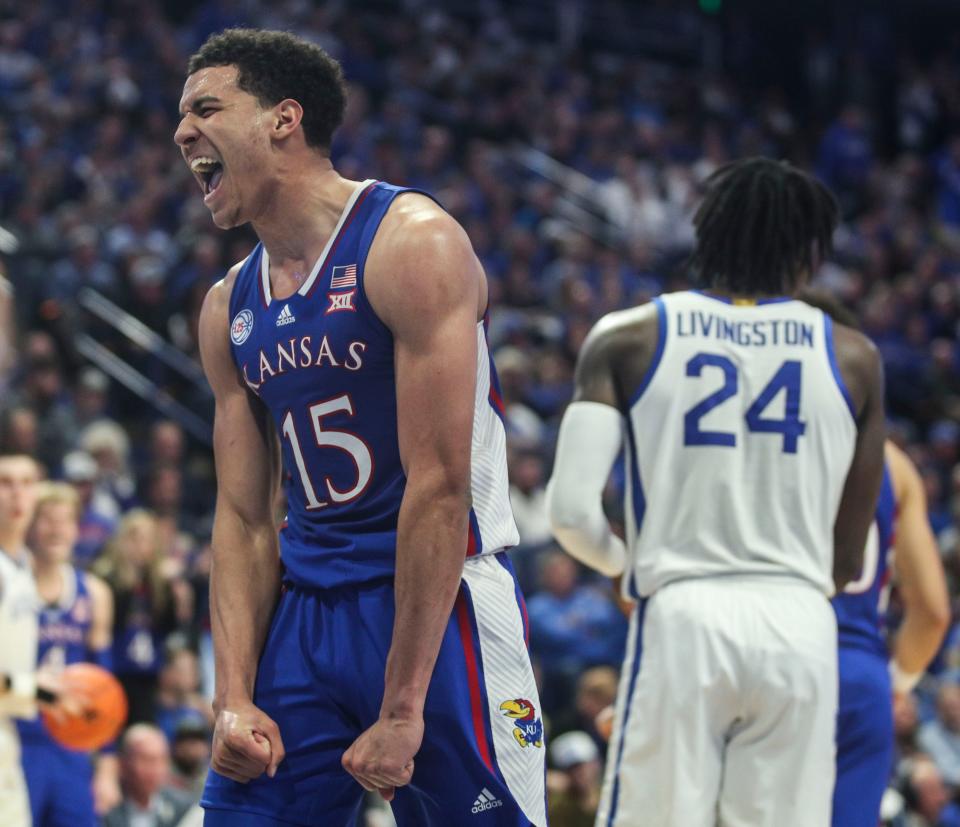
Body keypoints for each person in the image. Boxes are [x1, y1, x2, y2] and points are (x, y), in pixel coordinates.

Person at [174, 29, 544, 826]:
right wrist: (233, 694)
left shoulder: (411, 242)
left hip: (438, 603)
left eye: (206, 108)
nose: (182, 134)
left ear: (283, 119)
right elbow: (241, 517)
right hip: (306, 610)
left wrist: (405, 705)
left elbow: (440, 488)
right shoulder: (226, 308)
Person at [546, 157, 886, 826]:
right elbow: (851, 560)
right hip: (801, 622)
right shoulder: (853, 356)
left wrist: (624, 566)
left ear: (707, 236)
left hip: (685, 611)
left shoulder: (630, 334)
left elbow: (572, 515)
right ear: (807, 255)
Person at [832, 442, 949, 824]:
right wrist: (896, 686)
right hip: (859, 670)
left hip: (772, 646)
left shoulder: (761, 433)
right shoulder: (895, 464)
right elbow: (933, 612)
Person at [18, 481, 121, 825]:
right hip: (14, 737)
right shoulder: (10, 588)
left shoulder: (93, 593)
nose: (58, 528)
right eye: (48, 519)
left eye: (66, 520)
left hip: (70, 745)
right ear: (29, 525)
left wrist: (107, 765)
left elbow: (105, 682)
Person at [0, 450, 80, 827]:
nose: (17, 494)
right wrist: (40, 690)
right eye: (5, 483)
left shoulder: (20, 570)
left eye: (27, 483)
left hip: (8, 742)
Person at [101, 724, 194, 827]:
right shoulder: (107, 809)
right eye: (146, 760)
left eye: (162, 760)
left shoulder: (183, 809)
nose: (156, 769)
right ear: (124, 764)